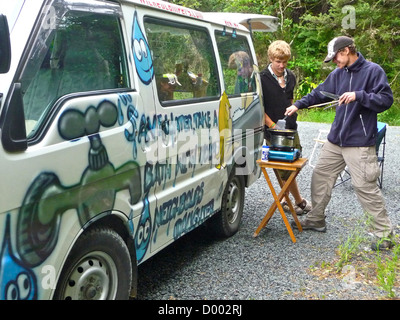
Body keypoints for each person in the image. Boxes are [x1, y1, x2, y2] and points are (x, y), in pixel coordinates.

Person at [285, 36, 394, 250]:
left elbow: (386, 100)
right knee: (321, 176)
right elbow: (319, 94)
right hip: (336, 140)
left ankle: (384, 235)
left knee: (365, 187)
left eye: (335, 57)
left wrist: (359, 96)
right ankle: (316, 219)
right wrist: (298, 104)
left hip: (359, 142)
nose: (334, 61)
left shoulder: (373, 71)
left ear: (346, 51)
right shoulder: (338, 73)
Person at [260, 40, 311, 216]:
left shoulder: (291, 76)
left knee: (294, 163)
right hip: (272, 129)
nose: (282, 65)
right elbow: (259, 108)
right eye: (278, 61)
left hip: (290, 127)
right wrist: (273, 126)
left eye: (284, 62)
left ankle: (286, 198)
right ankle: (297, 201)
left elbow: (290, 100)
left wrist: (293, 113)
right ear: (271, 59)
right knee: (281, 165)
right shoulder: (261, 78)